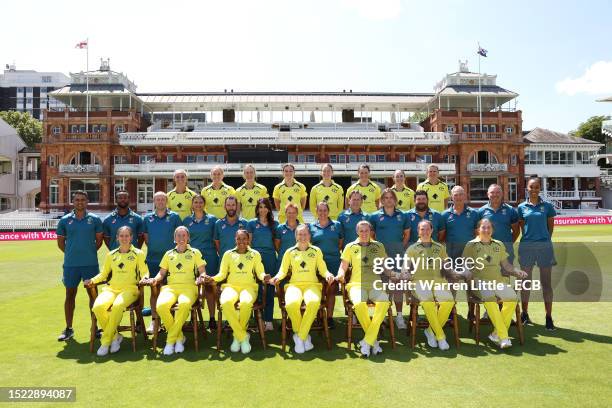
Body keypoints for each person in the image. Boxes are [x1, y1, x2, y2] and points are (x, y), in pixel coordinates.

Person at [462, 219, 528, 349]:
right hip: (479, 283)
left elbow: (507, 266)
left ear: (492, 230)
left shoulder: (499, 244)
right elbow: (464, 264)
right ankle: (503, 336)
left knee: (512, 299)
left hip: (498, 282)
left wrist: (517, 271)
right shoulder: (471, 245)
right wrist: (466, 272)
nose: (486, 230)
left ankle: (496, 333)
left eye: (488, 228)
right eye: (483, 227)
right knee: (490, 299)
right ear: (478, 229)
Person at [269, 225, 335, 354]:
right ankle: (304, 337)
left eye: (305, 234)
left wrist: (328, 275)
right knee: (291, 304)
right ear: (296, 236)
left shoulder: (316, 251)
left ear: (309, 236)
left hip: (312, 285)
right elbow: (282, 271)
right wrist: (276, 278)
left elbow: (323, 269)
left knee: (313, 303)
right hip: (294, 285)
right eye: (300, 234)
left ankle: (299, 337)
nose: (303, 237)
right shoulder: (289, 252)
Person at [143, 226, 207, 356]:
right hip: (171, 288)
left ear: (188, 238)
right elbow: (161, 274)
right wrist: (154, 280)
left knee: (184, 304)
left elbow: (202, 271)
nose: (181, 238)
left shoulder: (195, 252)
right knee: (161, 306)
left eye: (184, 236)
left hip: (189, 287)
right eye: (178, 236)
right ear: (174, 238)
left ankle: (170, 340)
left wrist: (202, 278)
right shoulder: (168, 254)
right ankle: (179, 337)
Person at [85, 226, 149, 356]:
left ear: (131, 237)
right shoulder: (111, 255)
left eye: (127, 236)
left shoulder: (138, 254)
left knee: (118, 305)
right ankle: (115, 337)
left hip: (130, 289)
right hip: (112, 289)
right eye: (122, 236)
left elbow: (144, 272)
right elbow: (103, 275)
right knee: (97, 307)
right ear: (117, 238)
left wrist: (145, 278)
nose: (124, 238)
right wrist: (92, 280)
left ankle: (106, 341)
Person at [207, 229, 270, 354]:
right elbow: (222, 274)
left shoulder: (255, 254)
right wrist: (212, 278)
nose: (241, 241)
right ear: (235, 239)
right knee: (225, 302)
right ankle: (242, 336)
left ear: (248, 240)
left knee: (246, 303)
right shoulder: (228, 254)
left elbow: (260, 272)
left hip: (249, 287)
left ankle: (237, 337)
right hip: (231, 287)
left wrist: (264, 277)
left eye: (244, 239)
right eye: (239, 238)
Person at [337, 221, 391, 357]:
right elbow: (343, 266)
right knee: (359, 304)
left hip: (375, 285)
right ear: (357, 232)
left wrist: (395, 274)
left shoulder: (379, 246)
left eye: (367, 231)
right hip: (356, 285)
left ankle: (367, 341)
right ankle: (374, 342)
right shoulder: (350, 247)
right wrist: (340, 275)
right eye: (361, 231)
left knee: (384, 302)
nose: (364, 233)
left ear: (370, 231)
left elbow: (386, 267)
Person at [403, 220, 458, 350]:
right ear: (418, 231)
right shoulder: (411, 249)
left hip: (438, 282)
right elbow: (405, 267)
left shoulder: (440, 248)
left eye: (427, 229)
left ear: (432, 231)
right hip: (419, 282)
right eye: (422, 229)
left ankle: (430, 331)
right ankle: (440, 336)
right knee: (428, 302)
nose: (425, 232)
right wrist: (405, 273)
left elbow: (447, 266)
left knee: (448, 301)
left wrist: (455, 273)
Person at [56, 190, 103, 341]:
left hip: (90, 264)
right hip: (71, 265)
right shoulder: (64, 220)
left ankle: (95, 328)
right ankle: (68, 328)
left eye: (82, 199)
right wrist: (72, 253)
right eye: (77, 200)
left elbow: (99, 242)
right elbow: (61, 244)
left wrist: (87, 252)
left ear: (87, 201)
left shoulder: (95, 219)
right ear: (73, 202)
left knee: (93, 296)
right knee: (70, 295)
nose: (80, 202)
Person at [517, 177, 557, 330]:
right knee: (525, 283)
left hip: (544, 248)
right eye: (531, 187)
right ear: (527, 188)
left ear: (540, 188)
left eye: (537, 187)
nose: (534, 189)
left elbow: (550, 228)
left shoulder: (547, 206)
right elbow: (522, 228)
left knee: (546, 284)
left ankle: (548, 317)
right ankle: (525, 314)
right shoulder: (521, 207)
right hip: (527, 248)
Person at [369, 188, 410, 329]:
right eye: (385, 197)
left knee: (397, 287)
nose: (388, 200)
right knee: (383, 288)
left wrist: (399, 248)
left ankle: (399, 317)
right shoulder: (374, 216)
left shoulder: (403, 216)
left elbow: (407, 235)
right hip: (381, 259)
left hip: (397, 257)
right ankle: (384, 316)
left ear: (395, 199)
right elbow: (372, 236)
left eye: (391, 197)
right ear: (382, 200)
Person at [142, 191, 182, 332]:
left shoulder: (175, 217)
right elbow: (146, 238)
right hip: (153, 259)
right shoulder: (147, 218)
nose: (160, 202)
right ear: (154, 201)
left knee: (171, 291)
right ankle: (154, 321)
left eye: (162, 199)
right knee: (155, 291)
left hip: (173, 260)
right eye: (157, 199)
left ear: (167, 201)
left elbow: (180, 236)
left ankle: (169, 321)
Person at [183, 194, 219, 330]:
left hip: (209, 257)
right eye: (195, 202)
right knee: (192, 287)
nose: (198, 204)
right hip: (191, 259)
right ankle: (193, 319)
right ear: (192, 205)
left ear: (204, 204)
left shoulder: (212, 220)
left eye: (200, 202)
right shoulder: (186, 220)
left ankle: (211, 318)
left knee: (210, 288)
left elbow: (216, 240)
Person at [308, 201, 343, 329]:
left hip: (333, 261)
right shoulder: (311, 226)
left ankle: (329, 318)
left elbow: (340, 243)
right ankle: (319, 317)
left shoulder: (337, 225)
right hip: (316, 264)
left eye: (324, 210)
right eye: (320, 210)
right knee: (318, 290)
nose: (322, 213)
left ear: (328, 211)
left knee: (331, 290)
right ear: (316, 212)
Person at [246, 198, 278, 331]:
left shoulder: (274, 224)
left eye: (265, 207)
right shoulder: (251, 224)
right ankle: (257, 320)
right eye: (260, 207)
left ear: (269, 209)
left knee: (269, 289)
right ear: (257, 209)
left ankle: (268, 320)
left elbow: (277, 244)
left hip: (270, 258)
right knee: (257, 290)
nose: (263, 209)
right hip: (256, 259)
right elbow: (249, 243)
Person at [478, 184, 520, 265]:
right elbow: (477, 233)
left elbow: (516, 231)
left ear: (502, 194)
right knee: (488, 275)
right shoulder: (481, 211)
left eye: (498, 192)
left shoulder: (511, 210)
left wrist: (508, 243)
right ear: (488, 194)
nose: (495, 195)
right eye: (492, 192)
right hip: (487, 252)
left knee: (505, 275)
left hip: (506, 252)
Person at [440, 186, 480, 260]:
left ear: (465, 196)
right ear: (451, 197)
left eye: (461, 194)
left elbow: (478, 234)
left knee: (470, 272)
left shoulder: (474, 213)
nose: (458, 197)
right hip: (451, 254)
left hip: (470, 254)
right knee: (452, 272)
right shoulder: (444, 215)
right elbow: (441, 237)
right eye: (455, 195)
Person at [274, 202, 300, 270]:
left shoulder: (302, 228)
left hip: (298, 260)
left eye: (294, 212)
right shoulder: (280, 228)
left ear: (297, 213)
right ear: (285, 213)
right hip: (283, 260)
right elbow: (277, 245)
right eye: (289, 212)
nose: (291, 215)